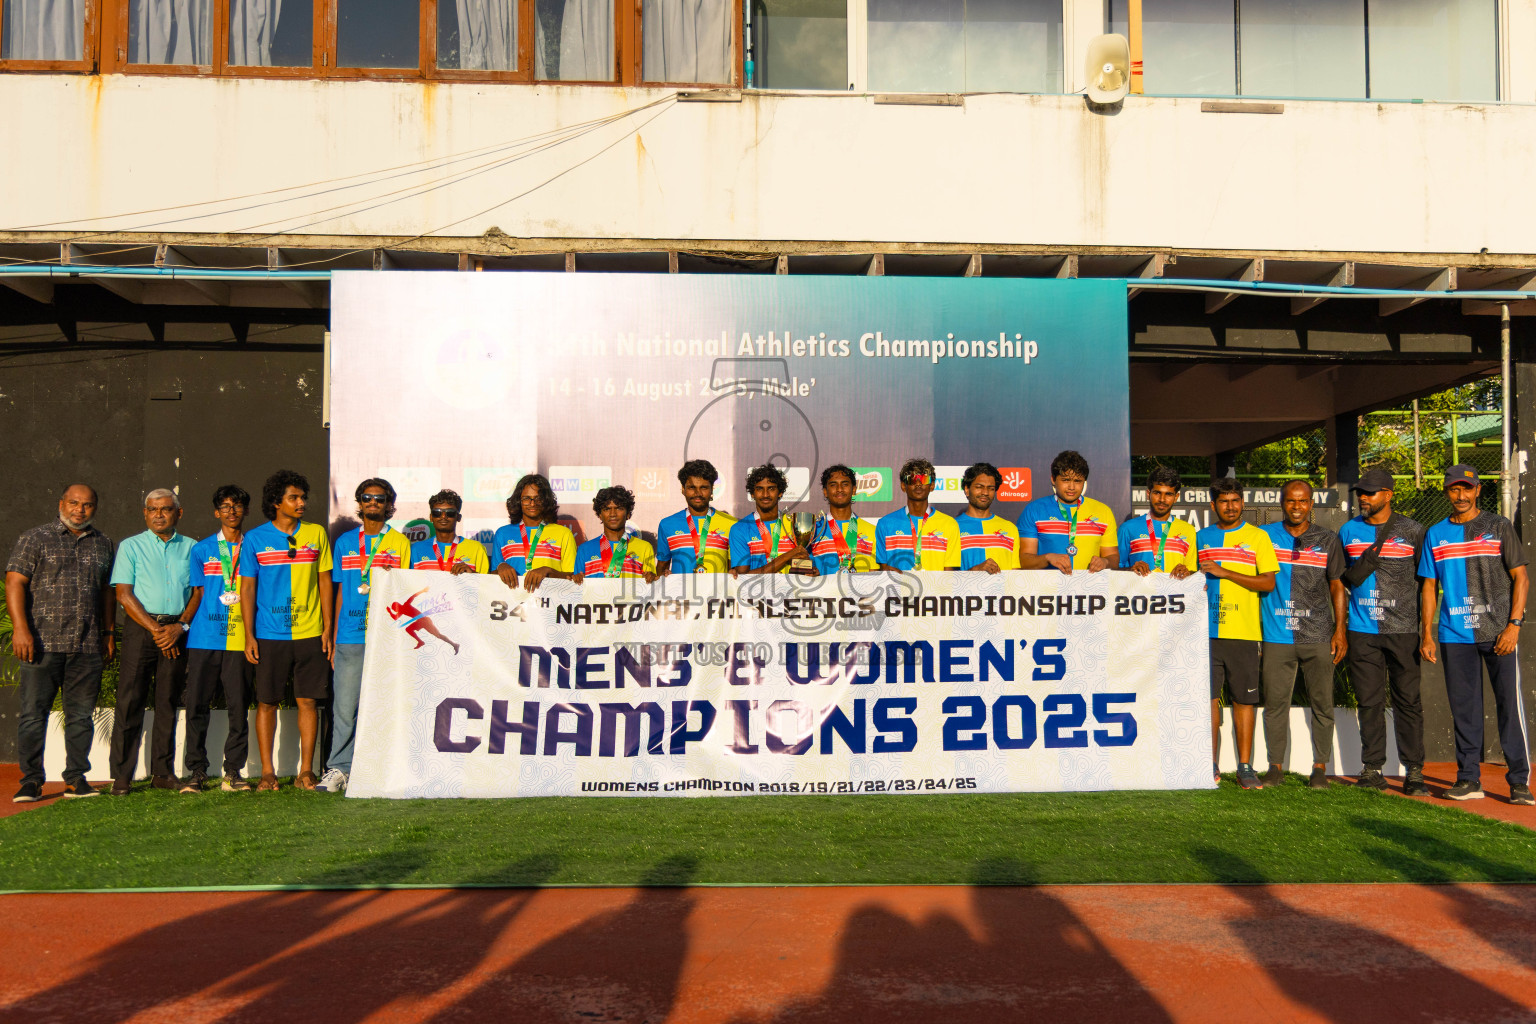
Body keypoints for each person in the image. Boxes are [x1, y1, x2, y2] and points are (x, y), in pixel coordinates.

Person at [1417, 465, 1532, 805]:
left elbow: (1521, 578)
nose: (1461, 495)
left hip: (1499, 633)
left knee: (1509, 706)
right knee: (1464, 710)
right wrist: (1427, 633)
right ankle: (1468, 779)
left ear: (1478, 490)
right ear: (1446, 492)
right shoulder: (1435, 534)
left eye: (1467, 489)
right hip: (1454, 634)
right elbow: (1428, 586)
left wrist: (1513, 625)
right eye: (1454, 489)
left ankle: (1519, 783)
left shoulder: (1498, 526)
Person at [4, 484, 116, 802]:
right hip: (41, 642)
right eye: (74, 503)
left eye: (88, 505)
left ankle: (75, 779)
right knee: (32, 714)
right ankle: (30, 781)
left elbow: (109, 592)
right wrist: (20, 630)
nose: (80, 509)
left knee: (80, 716)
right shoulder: (34, 538)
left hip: (87, 644)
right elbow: (15, 582)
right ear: (61, 503)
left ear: (95, 508)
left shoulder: (104, 544)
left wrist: (108, 634)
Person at [238, 470, 334, 792]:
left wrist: (328, 628)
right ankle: (267, 773)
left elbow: (324, 582)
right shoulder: (254, 538)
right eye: (294, 497)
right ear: (276, 502)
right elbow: (247, 589)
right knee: (266, 703)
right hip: (269, 634)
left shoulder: (317, 533)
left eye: (303, 497)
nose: (301, 503)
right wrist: (249, 635)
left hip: (310, 632)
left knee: (308, 702)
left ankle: (305, 772)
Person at [1339, 467, 1428, 795]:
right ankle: (1372, 767)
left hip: (1403, 630)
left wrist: (1426, 630)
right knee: (1369, 701)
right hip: (1362, 629)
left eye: (1371, 492)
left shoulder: (1414, 531)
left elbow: (1427, 582)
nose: (1363, 497)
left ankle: (1414, 771)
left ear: (1388, 495)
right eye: (1361, 492)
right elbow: (1340, 580)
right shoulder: (1348, 530)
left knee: (1408, 701)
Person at [321, 478, 413, 795]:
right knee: (345, 707)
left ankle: (377, 767)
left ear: (389, 504)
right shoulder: (345, 542)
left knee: (384, 705)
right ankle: (339, 768)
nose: (373, 502)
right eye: (367, 497)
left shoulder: (400, 543)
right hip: (349, 635)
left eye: (380, 498)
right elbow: (341, 591)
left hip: (386, 636)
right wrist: (332, 635)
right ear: (359, 503)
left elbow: (404, 591)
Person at [1258, 480, 1347, 790]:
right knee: (1275, 704)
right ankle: (1274, 767)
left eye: (1303, 501)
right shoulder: (1265, 536)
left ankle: (1319, 768)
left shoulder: (1328, 539)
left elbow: (1337, 585)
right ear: (1282, 503)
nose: (1297, 506)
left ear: (1312, 504)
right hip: (1276, 634)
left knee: (1322, 703)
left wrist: (1340, 631)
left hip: (1318, 635)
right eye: (1290, 501)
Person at [108, 488, 196, 795]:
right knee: (130, 700)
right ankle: (122, 775)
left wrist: (179, 626)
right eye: (152, 509)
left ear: (178, 513)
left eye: (165, 509)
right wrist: (157, 630)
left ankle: (162, 772)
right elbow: (123, 594)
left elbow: (198, 592)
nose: (159, 514)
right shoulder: (131, 546)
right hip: (142, 631)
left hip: (177, 630)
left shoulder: (191, 547)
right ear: (145, 513)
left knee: (167, 702)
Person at [1195, 478, 1278, 790]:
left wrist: (1226, 571)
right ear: (1213, 504)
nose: (1230, 506)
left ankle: (1245, 766)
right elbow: (1189, 578)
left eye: (1235, 500)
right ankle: (1209, 764)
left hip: (1243, 632)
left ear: (1242, 502)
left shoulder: (1257, 537)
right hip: (1204, 632)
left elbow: (1268, 582)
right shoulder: (1200, 537)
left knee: (1244, 700)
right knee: (1207, 700)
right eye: (1223, 501)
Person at [181, 485, 259, 794]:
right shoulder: (201, 550)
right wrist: (183, 627)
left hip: (240, 637)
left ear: (246, 511)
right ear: (217, 513)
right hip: (204, 637)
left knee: (238, 706)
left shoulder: (253, 546)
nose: (232, 512)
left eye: (237, 506)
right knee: (196, 705)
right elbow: (198, 593)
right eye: (225, 507)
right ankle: (197, 772)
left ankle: (233, 772)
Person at [1018, 450, 1119, 573]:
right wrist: (1047, 558)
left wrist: (1105, 562)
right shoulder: (1034, 510)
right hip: (1048, 589)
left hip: (1089, 589)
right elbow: (1024, 560)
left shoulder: (1103, 511)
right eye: (1065, 480)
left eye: (1077, 481)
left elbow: (1113, 557)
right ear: (1053, 480)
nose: (1071, 487)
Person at [492, 474, 578, 594]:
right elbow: (490, 580)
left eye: (538, 498)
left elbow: (573, 576)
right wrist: (500, 567)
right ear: (519, 501)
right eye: (527, 498)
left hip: (550, 604)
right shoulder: (502, 533)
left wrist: (548, 571)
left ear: (546, 501)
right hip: (513, 605)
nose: (532, 504)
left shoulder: (564, 533)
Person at [875, 459, 961, 571]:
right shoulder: (885, 524)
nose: (918, 484)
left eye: (924, 479)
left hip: (935, 588)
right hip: (897, 588)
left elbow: (948, 576)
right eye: (912, 480)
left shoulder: (949, 524)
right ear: (903, 486)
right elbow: (883, 570)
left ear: (932, 486)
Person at [655, 460, 737, 576]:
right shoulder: (667, 524)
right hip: (680, 593)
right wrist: (663, 576)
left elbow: (734, 569)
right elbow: (661, 569)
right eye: (692, 487)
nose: (698, 493)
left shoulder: (731, 524)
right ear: (683, 489)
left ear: (712, 489)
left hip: (717, 594)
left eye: (703, 487)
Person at [1120, 466, 1197, 578]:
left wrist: (1187, 572)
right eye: (1157, 493)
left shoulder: (1188, 530)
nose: (1162, 499)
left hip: (1174, 594)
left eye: (1169, 494)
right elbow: (1114, 570)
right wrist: (1131, 569)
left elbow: (1192, 571)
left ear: (1176, 497)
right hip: (1139, 594)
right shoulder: (1128, 528)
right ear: (1148, 494)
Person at [729, 465, 807, 574]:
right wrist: (786, 557)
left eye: (771, 488)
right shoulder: (739, 529)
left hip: (791, 590)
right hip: (756, 590)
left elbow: (803, 565)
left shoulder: (795, 524)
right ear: (752, 494)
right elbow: (743, 576)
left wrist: (810, 571)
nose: (765, 494)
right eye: (759, 489)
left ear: (780, 493)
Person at [575, 486, 658, 581]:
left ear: (628, 514)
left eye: (619, 508)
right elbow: (578, 588)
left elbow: (649, 589)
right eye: (607, 509)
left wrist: (651, 578)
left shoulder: (645, 548)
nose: (613, 514)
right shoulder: (584, 549)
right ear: (600, 515)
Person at [808, 465, 877, 575]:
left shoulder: (872, 531)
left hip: (859, 592)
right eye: (833, 485)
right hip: (823, 592)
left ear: (854, 489)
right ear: (825, 491)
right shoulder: (812, 530)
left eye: (845, 484)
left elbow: (874, 576)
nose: (839, 489)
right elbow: (805, 569)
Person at [955, 462, 1020, 573]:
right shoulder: (952, 527)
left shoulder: (1010, 528)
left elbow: (1014, 576)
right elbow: (945, 579)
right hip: (965, 590)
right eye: (979, 487)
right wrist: (974, 571)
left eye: (990, 488)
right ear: (967, 489)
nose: (985, 492)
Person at [410, 489, 491, 574]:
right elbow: (408, 584)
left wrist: (472, 575)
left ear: (458, 517)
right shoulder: (417, 549)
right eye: (437, 513)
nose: (443, 516)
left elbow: (486, 585)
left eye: (450, 513)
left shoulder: (477, 549)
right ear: (431, 517)